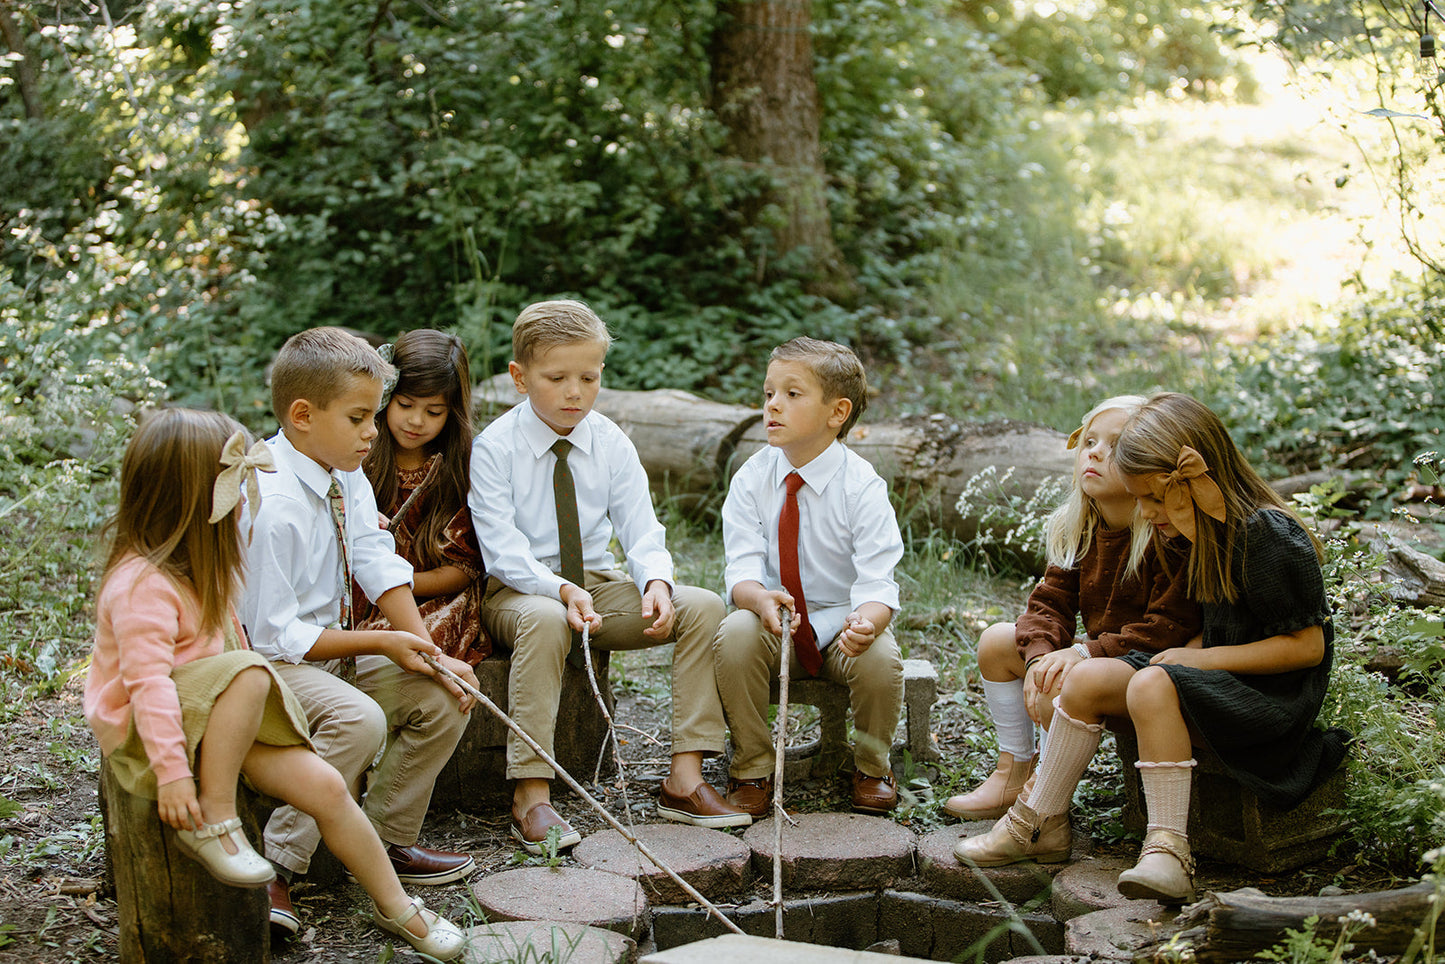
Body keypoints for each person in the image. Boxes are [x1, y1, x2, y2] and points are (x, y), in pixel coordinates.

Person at [84, 409, 466, 960]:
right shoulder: (141, 584)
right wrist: (172, 777)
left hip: (217, 710)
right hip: (152, 736)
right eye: (241, 486)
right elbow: (150, 690)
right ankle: (217, 820)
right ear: (191, 499)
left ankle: (399, 907)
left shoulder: (209, 565)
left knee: (328, 789)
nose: (250, 498)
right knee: (248, 672)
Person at [954, 392, 1350, 904]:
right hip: (1215, 677)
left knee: (1145, 678)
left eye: (1155, 500)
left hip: (1267, 699)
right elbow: (1218, 622)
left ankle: (1167, 850)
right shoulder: (1199, 530)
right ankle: (1038, 820)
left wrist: (1200, 656)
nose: (1146, 512)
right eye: (1140, 499)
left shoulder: (1266, 534)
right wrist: (1191, 650)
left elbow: (1307, 648)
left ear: (1193, 481)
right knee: (1115, 677)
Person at [468, 299, 750, 854]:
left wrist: (656, 584)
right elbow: (501, 552)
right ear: (519, 378)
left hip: (596, 584)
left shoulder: (609, 441)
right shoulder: (494, 448)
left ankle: (685, 778)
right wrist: (560, 589)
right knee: (548, 618)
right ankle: (531, 791)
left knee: (704, 607)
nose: (575, 392)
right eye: (557, 378)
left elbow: (643, 530)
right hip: (521, 591)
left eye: (589, 377)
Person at [241, 327, 480, 934]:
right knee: (358, 719)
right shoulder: (273, 504)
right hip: (267, 668)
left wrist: (426, 652)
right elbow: (274, 638)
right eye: (359, 418)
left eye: (374, 415)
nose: (374, 432)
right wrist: (382, 642)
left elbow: (377, 560)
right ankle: (277, 867)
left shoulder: (338, 468)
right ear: (302, 416)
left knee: (448, 691)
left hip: (328, 652)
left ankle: (379, 841)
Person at [942, 396, 1200, 820]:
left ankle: (1045, 796)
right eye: (1089, 442)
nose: (1095, 452)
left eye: (1115, 446)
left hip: (1148, 667)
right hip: (1104, 656)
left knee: (1062, 679)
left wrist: (1082, 653)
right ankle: (1013, 771)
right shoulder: (1077, 524)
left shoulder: (1164, 531)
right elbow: (1049, 603)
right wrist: (1042, 654)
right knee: (996, 643)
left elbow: (1169, 627)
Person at [713, 336, 905, 816]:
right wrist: (758, 600)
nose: (772, 404)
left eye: (792, 394)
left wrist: (867, 622)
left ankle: (871, 765)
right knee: (735, 634)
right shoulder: (752, 478)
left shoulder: (861, 486)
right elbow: (740, 567)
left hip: (842, 627)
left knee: (881, 659)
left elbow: (879, 579)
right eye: (768, 393)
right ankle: (753, 767)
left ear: (836, 412)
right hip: (771, 623)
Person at [357, 329, 489, 665]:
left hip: (434, 597)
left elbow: (463, 569)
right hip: (357, 594)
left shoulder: (458, 469)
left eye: (434, 412)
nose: (416, 421)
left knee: (419, 643)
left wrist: (394, 586)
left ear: (452, 412)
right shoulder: (358, 457)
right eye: (405, 404)